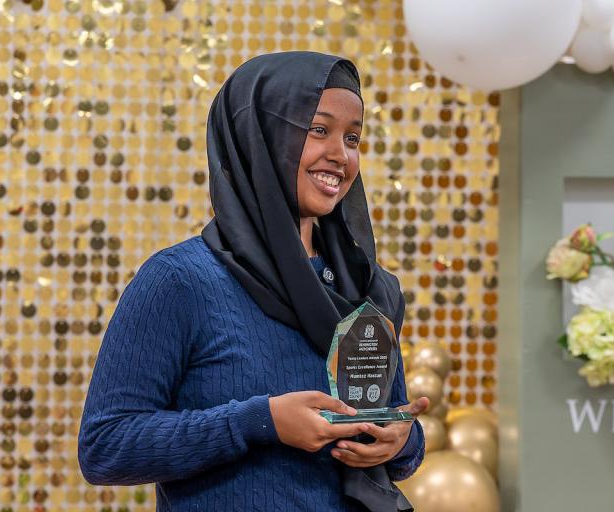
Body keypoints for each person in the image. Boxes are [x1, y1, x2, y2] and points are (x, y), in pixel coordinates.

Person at [78, 51, 428, 512]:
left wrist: (401, 441)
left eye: (353, 137)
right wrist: (260, 422)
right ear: (258, 137)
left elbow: (392, 431)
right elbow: (105, 447)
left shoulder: (369, 288)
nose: (340, 155)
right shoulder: (180, 281)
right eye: (318, 130)